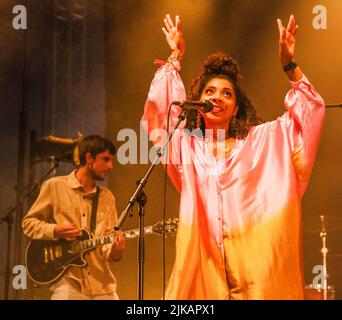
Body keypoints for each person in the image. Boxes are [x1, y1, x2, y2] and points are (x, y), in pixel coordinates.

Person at [141, 14, 325, 299]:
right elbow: (159, 114)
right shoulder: (186, 148)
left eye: (226, 93)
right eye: (210, 91)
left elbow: (309, 114)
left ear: (236, 107)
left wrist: (290, 65)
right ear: (198, 101)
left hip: (258, 275)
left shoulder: (263, 140)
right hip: (203, 272)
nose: (217, 97)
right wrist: (175, 54)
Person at [22, 135, 125, 300]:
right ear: (89, 158)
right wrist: (54, 230)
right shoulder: (54, 186)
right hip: (67, 283)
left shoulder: (107, 197)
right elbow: (28, 224)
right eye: (106, 159)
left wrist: (115, 251)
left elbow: (107, 245)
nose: (110, 166)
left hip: (103, 286)